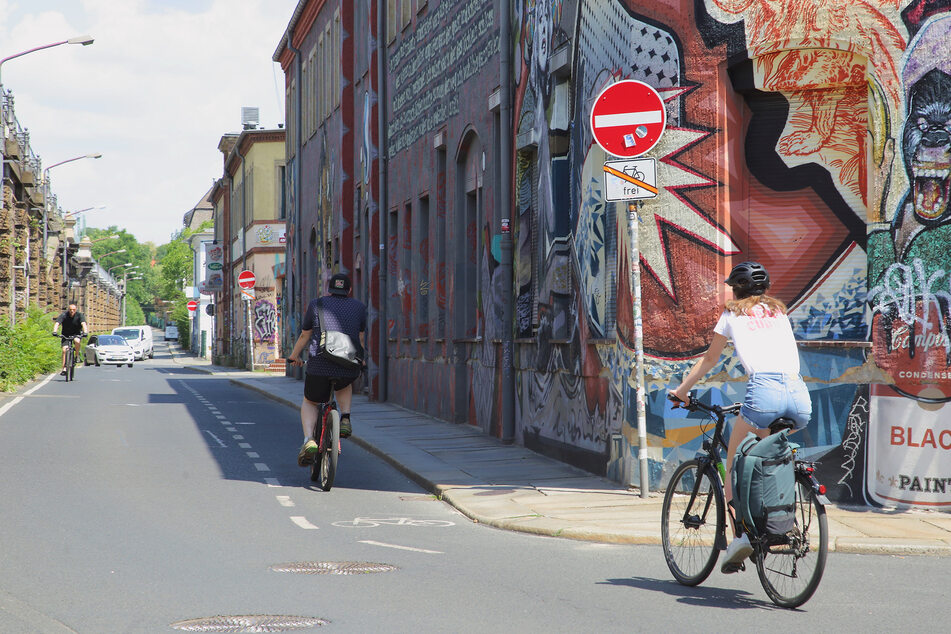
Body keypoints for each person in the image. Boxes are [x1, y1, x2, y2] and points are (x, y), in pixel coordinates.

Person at [668, 261, 811, 573]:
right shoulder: (779, 311)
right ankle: (779, 524)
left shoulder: (732, 313)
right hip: (799, 396)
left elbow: (709, 359)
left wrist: (681, 391)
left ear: (736, 289)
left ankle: (743, 536)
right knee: (770, 459)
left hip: (764, 392)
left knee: (734, 464)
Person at [288, 273, 367, 467]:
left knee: (310, 401)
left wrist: (294, 356)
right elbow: (360, 338)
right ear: (348, 290)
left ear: (329, 289)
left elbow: (305, 335)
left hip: (319, 364)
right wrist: (362, 360)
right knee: (344, 381)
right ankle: (345, 417)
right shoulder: (359, 307)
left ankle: (309, 440)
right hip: (348, 364)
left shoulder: (317, 304)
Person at [52, 303, 88, 376]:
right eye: (70, 310)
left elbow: (83, 324)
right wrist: (54, 331)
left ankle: (77, 356)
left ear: (76, 310)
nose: (72, 311)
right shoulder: (64, 315)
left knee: (77, 341)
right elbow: (57, 323)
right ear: (68, 310)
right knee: (64, 350)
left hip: (76, 334)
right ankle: (64, 368)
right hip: (66, 335)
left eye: (73, 310)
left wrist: (85, 332)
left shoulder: (79, 315)